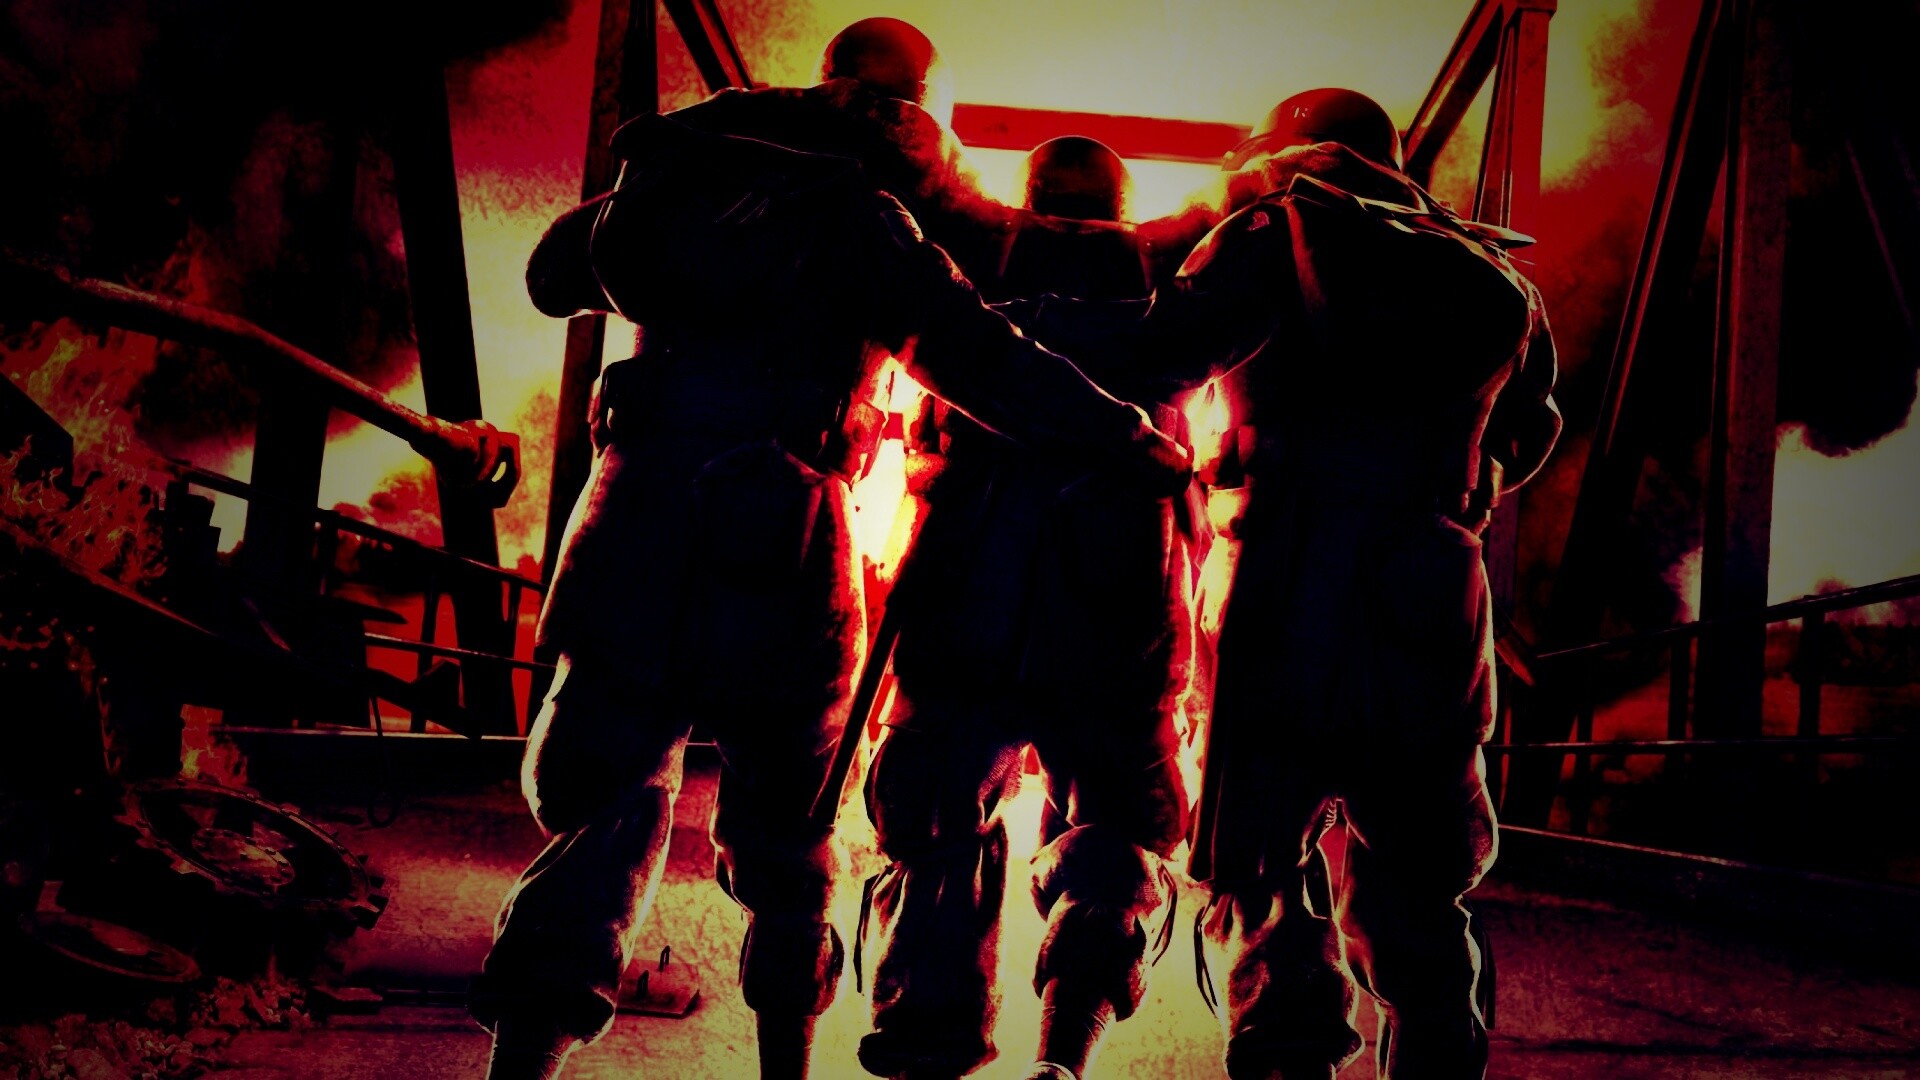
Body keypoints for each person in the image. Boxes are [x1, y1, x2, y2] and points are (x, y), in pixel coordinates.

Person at [469, 115, 1188, 1080]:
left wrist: (669, 173)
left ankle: (523, 1058)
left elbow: (552, 277)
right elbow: (979, 359)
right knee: (791, 832)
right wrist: (1125, 437)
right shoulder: (861, 219)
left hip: (632, 523)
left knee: (598, 800)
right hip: (787, 532)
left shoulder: (674, 195)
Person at [1142, 89, 1561, 1079]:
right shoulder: (1490, 272)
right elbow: (1531, 430)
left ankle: (1287, 1050)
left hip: (1277, 570)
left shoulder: (1264, 231)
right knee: (1419, 863)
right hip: (1430, 577)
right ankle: (1434, 1049)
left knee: (1262, 861)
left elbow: (1164, 357)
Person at [858, 137, 1201, 1080]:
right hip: (1118, 576)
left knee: (934, 812)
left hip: (970, 562)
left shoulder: (967, 239)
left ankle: (927, 1042)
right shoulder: (1175, 262)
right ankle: (1063, 1056)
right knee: (1120, 823)